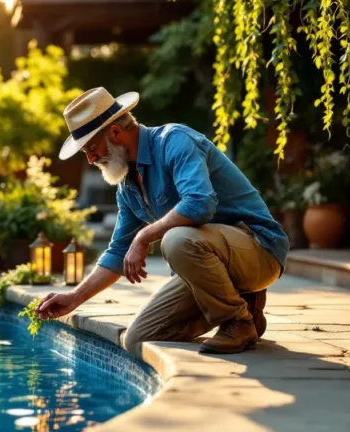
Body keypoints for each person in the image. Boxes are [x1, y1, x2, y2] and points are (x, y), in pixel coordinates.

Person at [35, 87, 290, 355]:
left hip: (260, 250)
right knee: (139, 338)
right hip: (209, 263)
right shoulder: (127, 186)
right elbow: (118, 252)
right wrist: (74, 298)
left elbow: (200, 203)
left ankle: (237, 323)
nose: (91, 159)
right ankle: (245, 306)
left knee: (176, 239)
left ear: (115, 132)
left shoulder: (174, 141)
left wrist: (144, 237)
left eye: (91, 148)